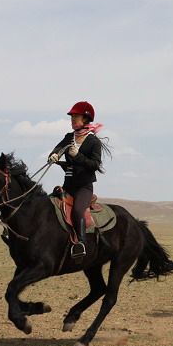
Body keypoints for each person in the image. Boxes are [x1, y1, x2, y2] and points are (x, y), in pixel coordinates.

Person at [49, 101, 104, 258]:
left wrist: (77, 156)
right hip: (68, 186)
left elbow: (94, 165)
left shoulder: (94, 142)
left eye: (76, 117)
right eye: (71, 117)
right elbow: (57, 149)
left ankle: (81, 243)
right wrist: (54, 156)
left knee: (78, 211)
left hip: (84, 187)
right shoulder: (69, 138)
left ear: (86, 119)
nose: (72, 120)